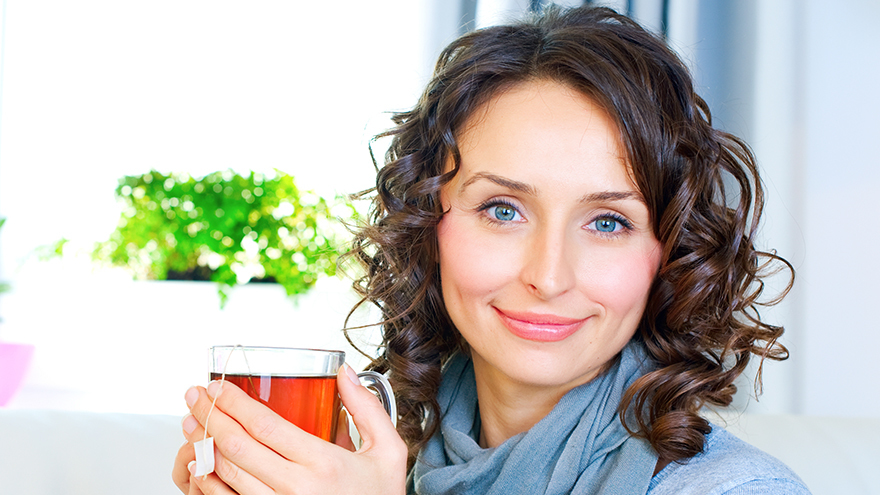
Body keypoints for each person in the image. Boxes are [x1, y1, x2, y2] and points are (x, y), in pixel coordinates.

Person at [173, 5, 810, 494]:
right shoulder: (382, 468)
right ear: (429, 227)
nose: (549, 275)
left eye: (609, 222)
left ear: (668, 253)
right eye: (503, 210)